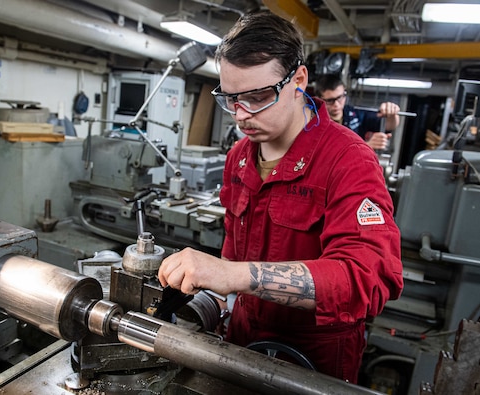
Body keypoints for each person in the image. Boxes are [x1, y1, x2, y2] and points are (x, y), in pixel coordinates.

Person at [157, 10, 403, 384]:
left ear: (298, 80)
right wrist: (208, 298)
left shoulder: (348, 161)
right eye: (231, 98)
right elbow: (234, 252)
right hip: (242, 338)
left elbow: (367, 278)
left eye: (257, 97)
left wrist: (232, 275)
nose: (241, 115)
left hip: (315, 358)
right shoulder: (240, 156)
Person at [314, 74, 401, 151]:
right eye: (330, 101)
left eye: (340, 97)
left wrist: (392, 113)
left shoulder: (354, 114)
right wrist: (366, 146)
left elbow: (389, 125)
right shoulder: (313, 123)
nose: (336, 104)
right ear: (318, 99)